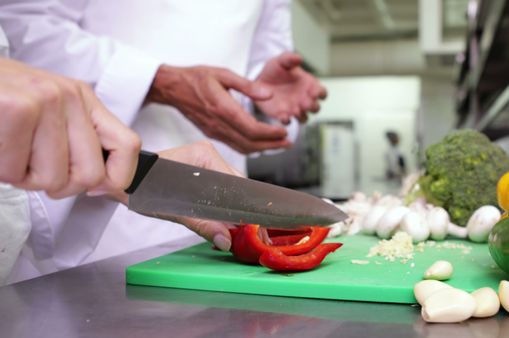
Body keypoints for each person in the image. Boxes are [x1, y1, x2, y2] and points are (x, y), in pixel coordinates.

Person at [0, 0, 326, 282]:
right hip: (93, 216)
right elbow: (20, 27)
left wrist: (260, 98)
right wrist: (156, 79)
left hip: (225, 208)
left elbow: (261, 60)